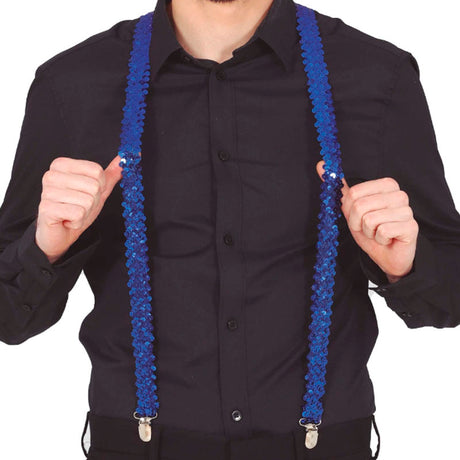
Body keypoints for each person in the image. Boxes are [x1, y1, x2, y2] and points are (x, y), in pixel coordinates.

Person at [1, 0, 459, 459]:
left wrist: (404, 264)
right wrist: (46, 248)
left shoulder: (377, 77)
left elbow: (449, 295)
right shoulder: (72, 85)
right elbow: (9, 317)